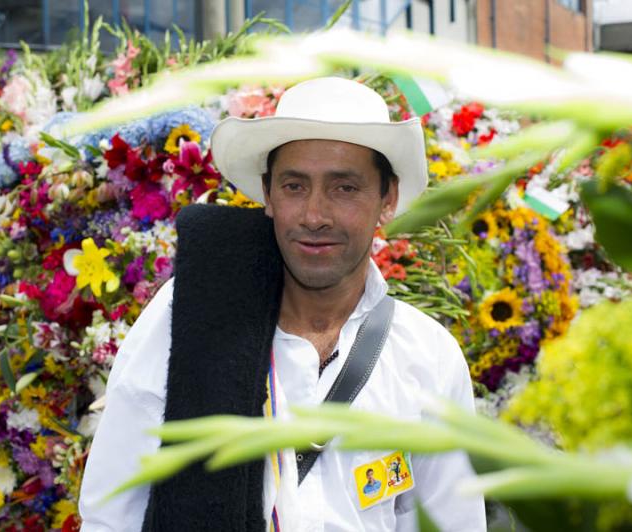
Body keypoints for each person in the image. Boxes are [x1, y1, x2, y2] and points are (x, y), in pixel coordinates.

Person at [79, 77, 486, 531]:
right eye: (294, 186)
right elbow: (110, 514)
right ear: (268, 194)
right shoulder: (190, 315)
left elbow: (451, 522)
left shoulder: (428, 357)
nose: (315, 215)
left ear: (386, 198)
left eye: (344, 188)